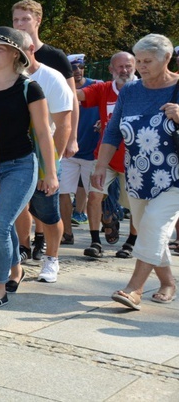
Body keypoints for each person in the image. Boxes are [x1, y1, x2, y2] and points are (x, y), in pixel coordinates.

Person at [94, 34, 179, 310]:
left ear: (167, 58)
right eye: (138, 61)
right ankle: (167, 282)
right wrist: (100, 165)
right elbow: (113, 130)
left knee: (154, 224)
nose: (141, 66)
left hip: (174, 176)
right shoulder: (130, 91)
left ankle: (134, 288)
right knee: (148, 230)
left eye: (147, 61)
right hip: (139, 176)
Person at [0, 27, 57, 307]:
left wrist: (51, 174)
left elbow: (44, 133)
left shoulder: (29, 88)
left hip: (21, 166)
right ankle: (15, 271)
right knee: (1, 223)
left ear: (14, 54)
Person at [14, 31, 72, 283]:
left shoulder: (51, 78)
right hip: (14, 154)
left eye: (18, 50)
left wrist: (51, 167)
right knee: (14, 210)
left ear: (30, 50)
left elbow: (63, 125)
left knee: (47, 214)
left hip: (42, 156)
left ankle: (52, 259)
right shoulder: (3, 76)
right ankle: (18, 254)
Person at [79, 52, 139, 258]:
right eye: (120, 67)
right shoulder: (104, 89)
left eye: (128, 66)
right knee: (95, 195)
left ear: (136, 67)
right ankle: (95, 241)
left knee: (136, 204)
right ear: (111, 69)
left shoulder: (145, 89)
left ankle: (131, 242)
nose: (124, 70)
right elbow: (77, 95)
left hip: (135, 159)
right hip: (105, 156)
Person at [12, 0, 79, 158]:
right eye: (16, 19)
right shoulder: (10, 56)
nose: (20, 24)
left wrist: (72, 139)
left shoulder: (55, 57)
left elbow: (71, 98)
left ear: (38, 21)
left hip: (52, 134)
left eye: (25, 19)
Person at [59, 54, 101, 245]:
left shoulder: (97, 86)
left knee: (96, 197)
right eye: (73, 68)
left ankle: (103, 228)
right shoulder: (61, 89)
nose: (77, 71)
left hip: (93, 152)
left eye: (80, 67)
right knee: (63, 193)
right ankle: (67, 233)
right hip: (68, 152)